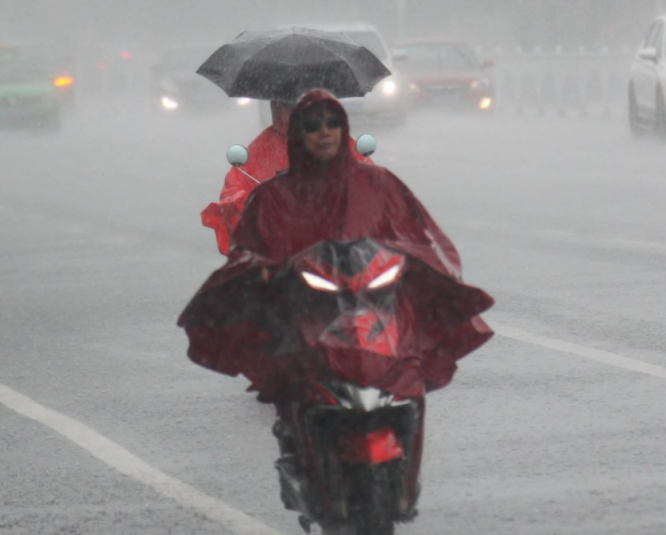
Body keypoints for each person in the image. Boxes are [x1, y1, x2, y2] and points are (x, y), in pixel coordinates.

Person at [180, 89, 493, 488]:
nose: (323, 133)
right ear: (297, 133)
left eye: (332, 124)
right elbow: (250, 248)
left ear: (344, 128)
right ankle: (302, 447)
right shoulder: (274, 195)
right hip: (309, 307)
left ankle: (405, 470)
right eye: (311, 126)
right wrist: (263, 272)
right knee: (291, 367)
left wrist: (409, 263)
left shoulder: (377, 184)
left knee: (406, 368)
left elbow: (412, 234)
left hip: (369, 299)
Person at [200, 99, 373, 255]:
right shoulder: (263, 148)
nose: (287, 113)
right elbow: (237, 185)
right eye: (281, 105)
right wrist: (244, 205)